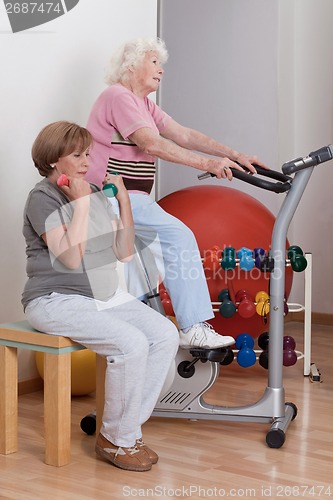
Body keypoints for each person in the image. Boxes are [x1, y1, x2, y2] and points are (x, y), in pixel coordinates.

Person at [85, 37, 268, 350]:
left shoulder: (143, 105)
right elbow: (150, 143)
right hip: (108, 197)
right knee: (177, 237)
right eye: (154, 62)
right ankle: (193, 326)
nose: (161, 70)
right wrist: (208, 163)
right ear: (132, 64)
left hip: (132, 200)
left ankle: (145, 340)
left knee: (141, 273)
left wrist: (235, 155)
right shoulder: (117, 96)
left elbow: (183, 135)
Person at [22, 120, 179, 472]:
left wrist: (122, 201)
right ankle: (118, 440)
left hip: (101, 296)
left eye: (88, 154)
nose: (86, 161)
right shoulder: (41, 198)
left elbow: (123, 251)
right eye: (77, 154)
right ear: (52, 160)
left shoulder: (92, 192)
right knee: (130, 343)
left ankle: (124, 433)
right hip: (53, 299)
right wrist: (79, 204)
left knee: (166, 334)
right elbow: (70, 257)